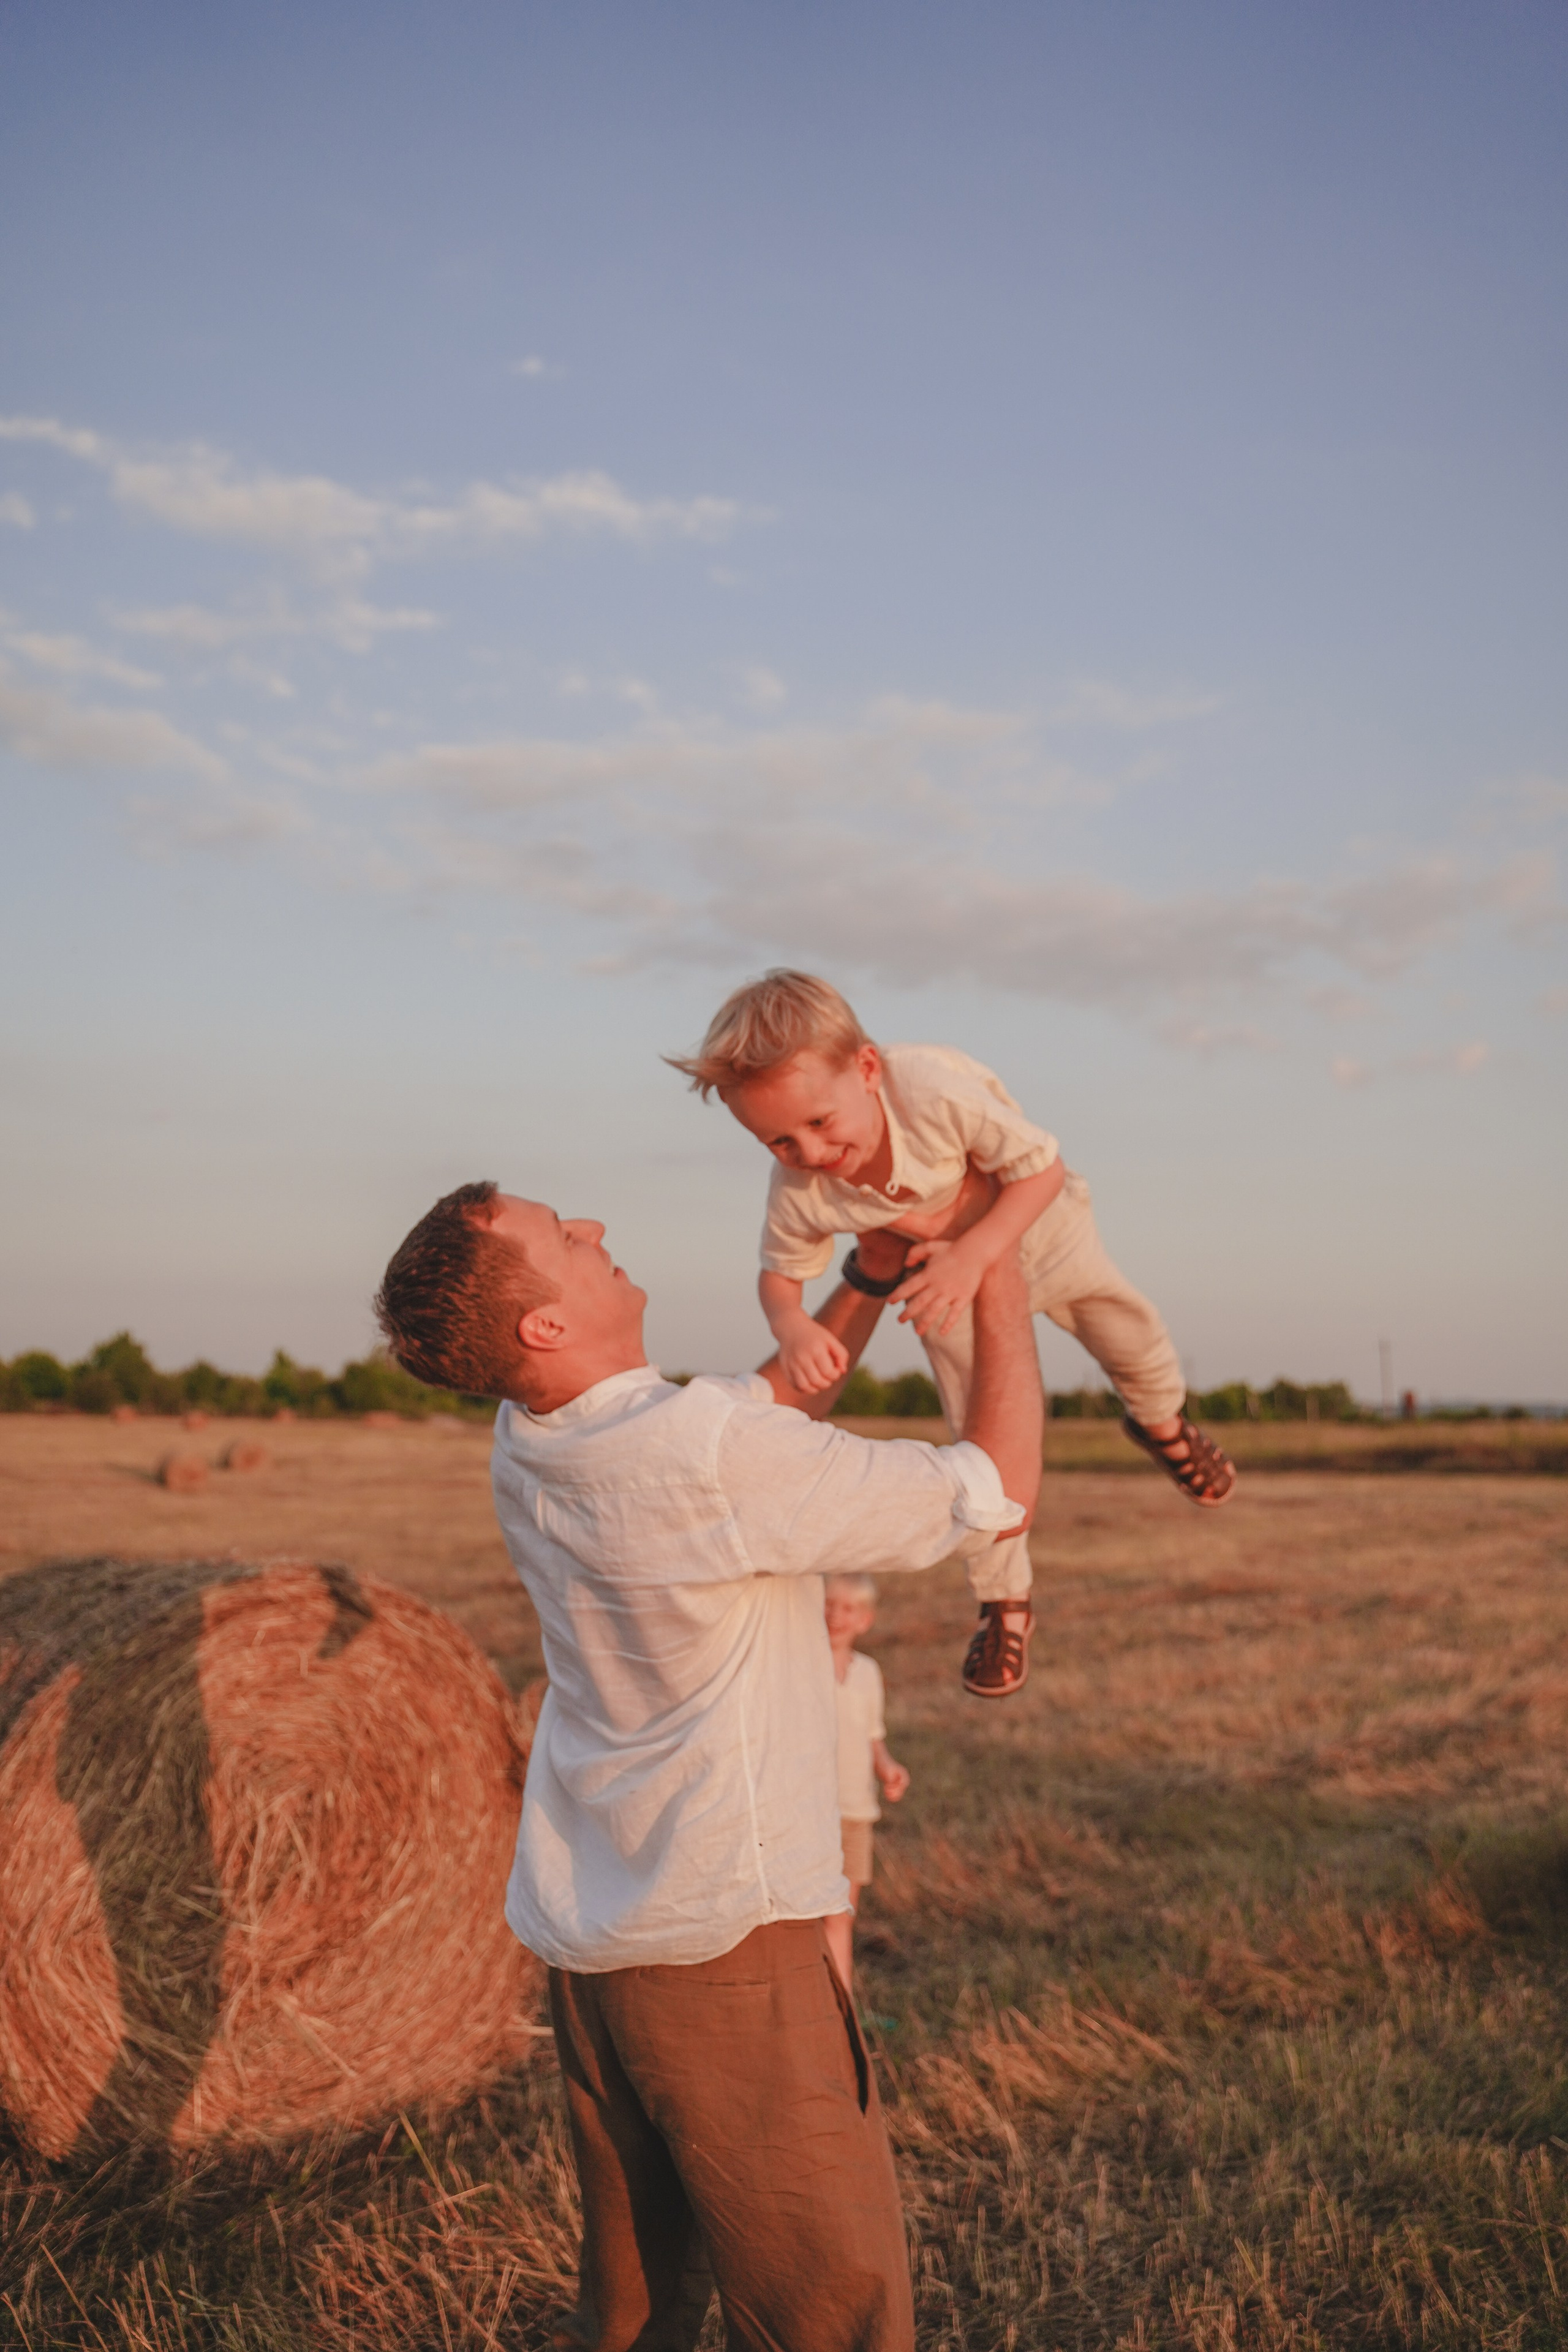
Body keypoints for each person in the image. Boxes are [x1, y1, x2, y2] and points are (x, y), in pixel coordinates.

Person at [373, 1175, 1042, 2352]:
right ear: (545, 1324)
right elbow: (994, 1493)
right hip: (727, 1943)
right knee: (828, 2315)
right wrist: (998, 1268)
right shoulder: (707, 1455)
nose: (594, 1229)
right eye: (562, 1235)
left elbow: (768, 1405)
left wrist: (869, 1274)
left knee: (637, 2313)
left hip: (595, 1945)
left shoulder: (530, 1437)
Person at [667, 968, 1237, 1702]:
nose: (808, 1152)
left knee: (1131, 1332)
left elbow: (1039, 1171)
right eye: (778, 1141)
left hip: (1042, 1232)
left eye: (819, 1123)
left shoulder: (930, 1091)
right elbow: (779, 1274)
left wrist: (977, 1252)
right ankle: (1004, 1600)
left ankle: (1161, 1425)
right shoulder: (803, 1188)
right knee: (977, 1434)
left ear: (867, 1069)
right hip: (937, 1280)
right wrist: (792, 1324)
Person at [823, 1573, 908, 1996]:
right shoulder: (802, 1667)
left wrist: (888, 1768)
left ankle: (842, 2008)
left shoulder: (868, 1672)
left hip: (855, 1812)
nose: (835, 1616)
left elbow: (873, 1735)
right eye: (828, 1605)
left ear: (865, 1620)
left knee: (841, 1916)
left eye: (848, 1608)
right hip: (809, 1813)